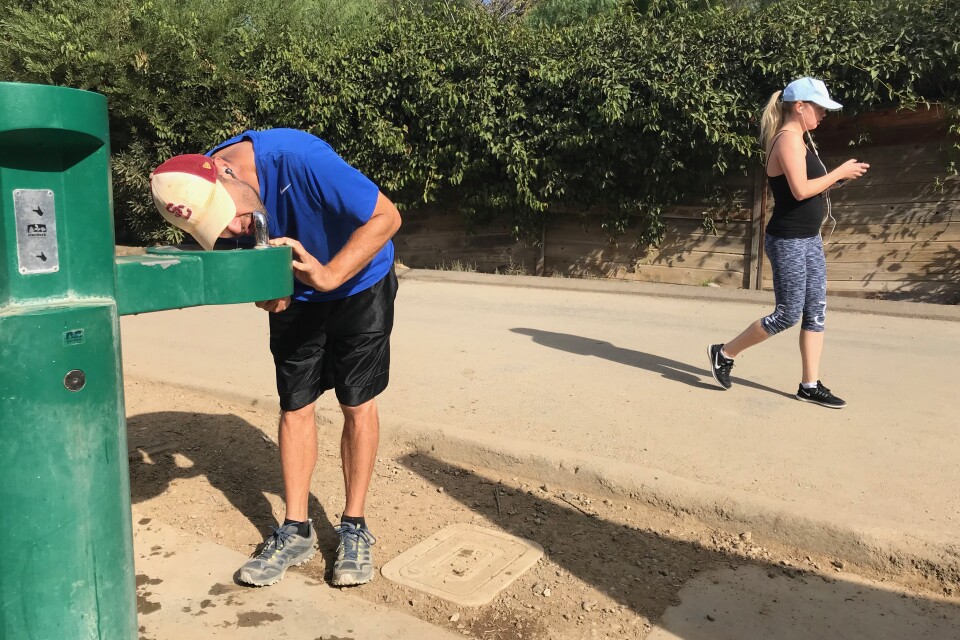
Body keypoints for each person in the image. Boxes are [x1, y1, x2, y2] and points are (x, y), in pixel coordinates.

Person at [150, 128, 402, 586]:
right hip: (302, 293)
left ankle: (354, 525)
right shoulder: (202, 194)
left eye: (230, 217)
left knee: (356, 401)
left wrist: (328, 275)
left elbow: (386, 216)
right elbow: (251, 266)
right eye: (216, 229)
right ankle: (295, 528)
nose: (233, 231)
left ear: (228, 173)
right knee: (295, 405)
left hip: (361, 282)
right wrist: (269, 292)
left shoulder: (298, 158)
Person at [707, 78, 869, 408]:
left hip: (808, 239)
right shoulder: (787, 140)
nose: (824, 115)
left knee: (816, 313)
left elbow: (808, 188)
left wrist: (834, 180)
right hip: (788, 241)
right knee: (787, 314)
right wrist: (839, 172)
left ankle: (809, 385)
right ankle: (724, 353)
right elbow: (799, 190)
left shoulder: (801, 140)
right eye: (820, 108)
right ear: (800, 107)